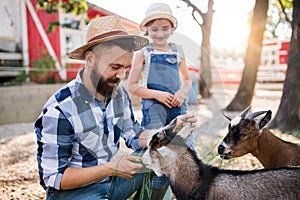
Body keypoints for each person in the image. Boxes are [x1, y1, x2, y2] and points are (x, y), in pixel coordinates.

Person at [34, 15, 196, 200]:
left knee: (165, 157)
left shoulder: (118, 94)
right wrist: (110, 168)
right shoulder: (61, 109)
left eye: (126, 68)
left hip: (110, 180)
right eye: (115, 66)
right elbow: (53, 178)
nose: (121, 76)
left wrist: (169, 131)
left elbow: (134, 135)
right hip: (73, 193)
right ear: (90, 60)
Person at [128, 3, 195, 149]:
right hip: (154, 108)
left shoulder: (178, 50)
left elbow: (187, 80)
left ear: (172, 29)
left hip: (177, 106)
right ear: (146, 29)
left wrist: (181, 93)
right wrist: (158, 95)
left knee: (183, 146)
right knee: (157, 146)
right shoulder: (142, 52)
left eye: (165, 28)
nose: (160, 34)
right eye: (154, 29)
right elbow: (132, 86)